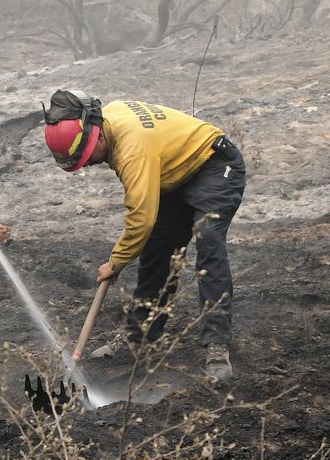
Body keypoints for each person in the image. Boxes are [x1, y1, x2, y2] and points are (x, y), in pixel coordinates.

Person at [42, 91, 245, 383]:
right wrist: (125, 256)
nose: (88, 165)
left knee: (209, 240)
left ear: (97, 137)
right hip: (173, 173)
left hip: (214, 165)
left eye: (87, 160)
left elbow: (141, 217)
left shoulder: (131, 149)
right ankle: (141, 337)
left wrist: (116, 262)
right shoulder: (108, 119)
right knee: (157, 249)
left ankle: (216, 344)